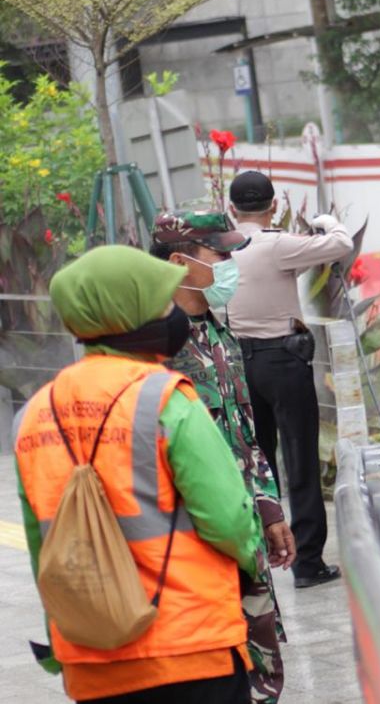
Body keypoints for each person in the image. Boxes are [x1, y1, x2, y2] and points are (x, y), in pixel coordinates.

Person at [12, 245, 262, 703]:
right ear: (130, 313)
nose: (172, 314)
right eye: (161, 303)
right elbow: (227, 520)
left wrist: (59, 635)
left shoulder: (31, 416)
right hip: (189, 647)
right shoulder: (166, 399)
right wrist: (253, 560)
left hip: (92, 658)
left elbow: (40, 548)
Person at [150, 210, 295, 704]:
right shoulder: (153, 346)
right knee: (218, 673)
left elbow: (244, 435)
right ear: (179, 260)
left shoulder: (220, 336)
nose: (231, 263)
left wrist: (269, 506)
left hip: (243, 527)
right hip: (196, 539)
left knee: (265, 666)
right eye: (220, 253)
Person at [226, 170, 352, 588]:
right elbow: (341, 244)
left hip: (240, 365)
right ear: (273, 205)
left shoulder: (219, 249)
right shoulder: (277, 244)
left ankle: (264, 554)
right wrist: (326, 223)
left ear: (231, 208)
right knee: (299, 458)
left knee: (258, 461)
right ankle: (308, 563)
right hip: (284, 360)